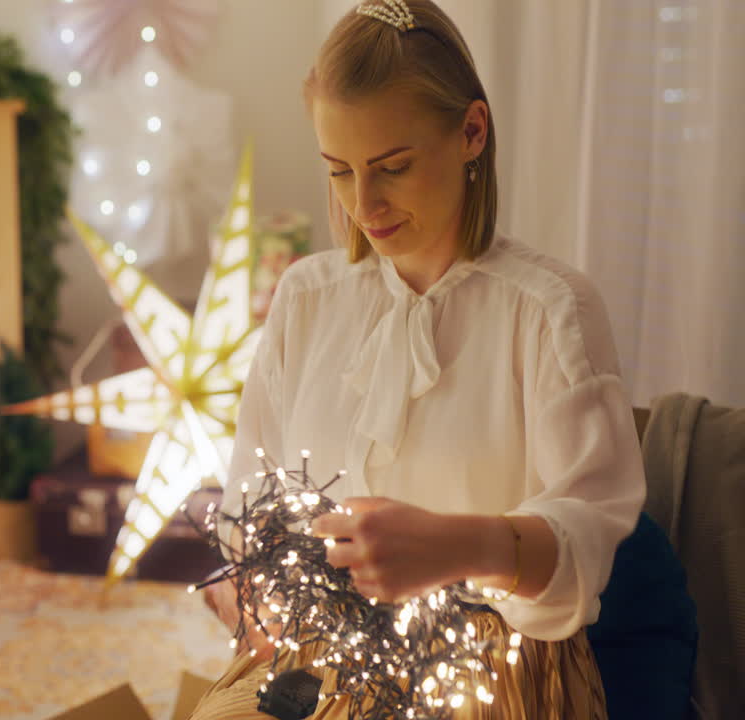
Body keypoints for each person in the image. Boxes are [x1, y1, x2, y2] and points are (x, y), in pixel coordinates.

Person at [191, 1, 645, 717]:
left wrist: (460, 545)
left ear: (471, 131)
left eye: (392, 166)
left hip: (492, 681)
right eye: (338, 171)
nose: (363, 204)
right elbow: (251, 496)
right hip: (325, 661)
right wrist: (243, 578)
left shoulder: (549, 310)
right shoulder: (307, 298)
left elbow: (587, 541)